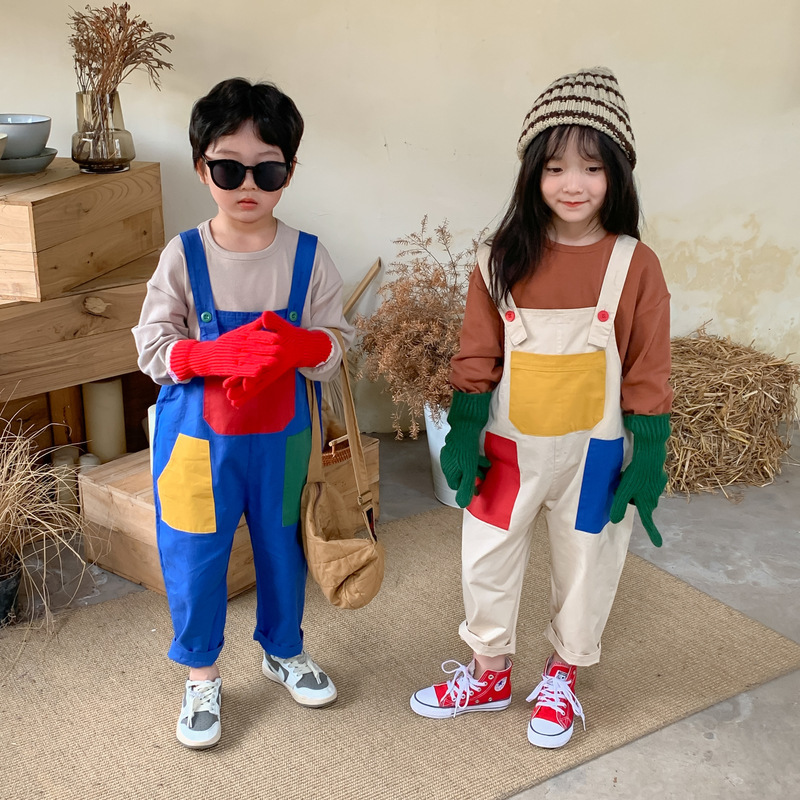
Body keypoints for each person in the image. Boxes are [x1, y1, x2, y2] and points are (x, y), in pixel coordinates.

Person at [410, 67, 672, 749]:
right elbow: (476, 354)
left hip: (596, 456)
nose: (572, 183)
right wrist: (463, 432)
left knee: (588, 561)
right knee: (486, 557)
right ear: (532, 173)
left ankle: (562, 674)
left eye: (592, 167)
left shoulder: (635, 264)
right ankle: (489, 672)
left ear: (617, 174)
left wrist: (649, 454)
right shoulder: (498, 259)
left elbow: (648, 366)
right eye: (555, 167)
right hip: (507, 450)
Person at [133, 78, 354, 750]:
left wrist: (306, 345)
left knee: (282, 550)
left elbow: (338, 344)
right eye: (230, 169)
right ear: (202, 169)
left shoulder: (309, 256)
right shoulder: (184, 255)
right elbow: (150, 346)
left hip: (283, 440)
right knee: (195, 555)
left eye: (269, 170)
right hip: (197, 444)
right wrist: (205, 355)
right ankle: (201, 674)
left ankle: (284, 650)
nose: (248, 185)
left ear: (290, 170)